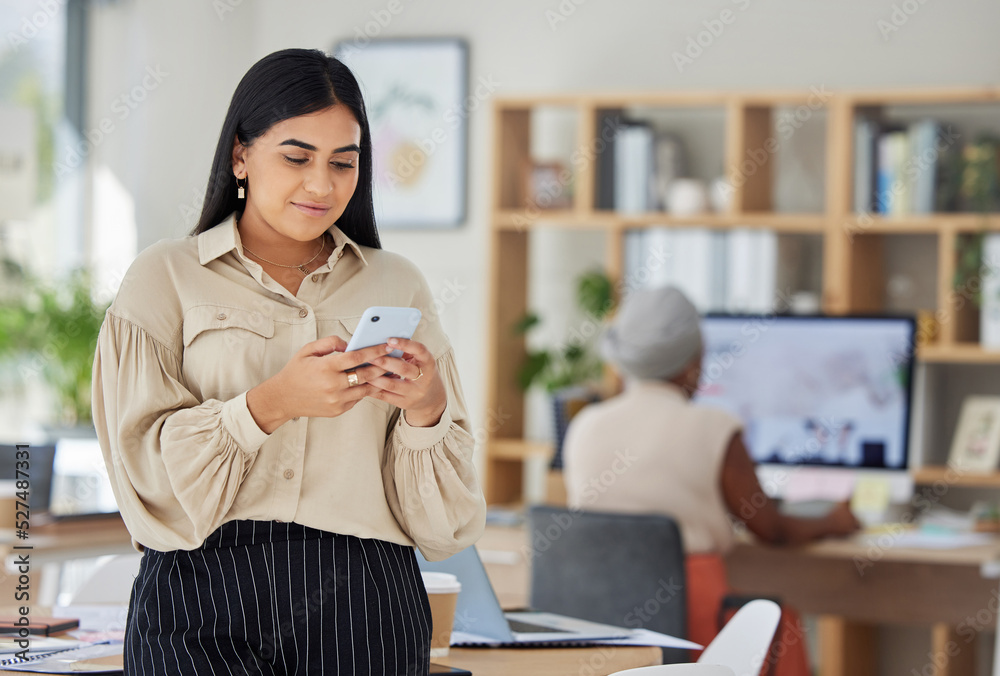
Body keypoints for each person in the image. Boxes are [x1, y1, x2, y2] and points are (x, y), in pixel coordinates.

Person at [91, 48, 486, 675]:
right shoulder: (165, 277)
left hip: (365, 600)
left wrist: (426, 410)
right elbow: (143, 482)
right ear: (240, 154)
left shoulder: (397, 284)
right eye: (297, 157)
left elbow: (445, 526)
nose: (321, 185)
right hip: (199, 594)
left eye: (343, 162)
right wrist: (268, 406)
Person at [562, 285, 859, 676]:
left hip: (597, 626)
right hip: (694, 626)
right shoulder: (714, 426)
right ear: (694, 362)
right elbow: (772, 529)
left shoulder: (584, 425)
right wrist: (832, 521)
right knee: (780, 622)